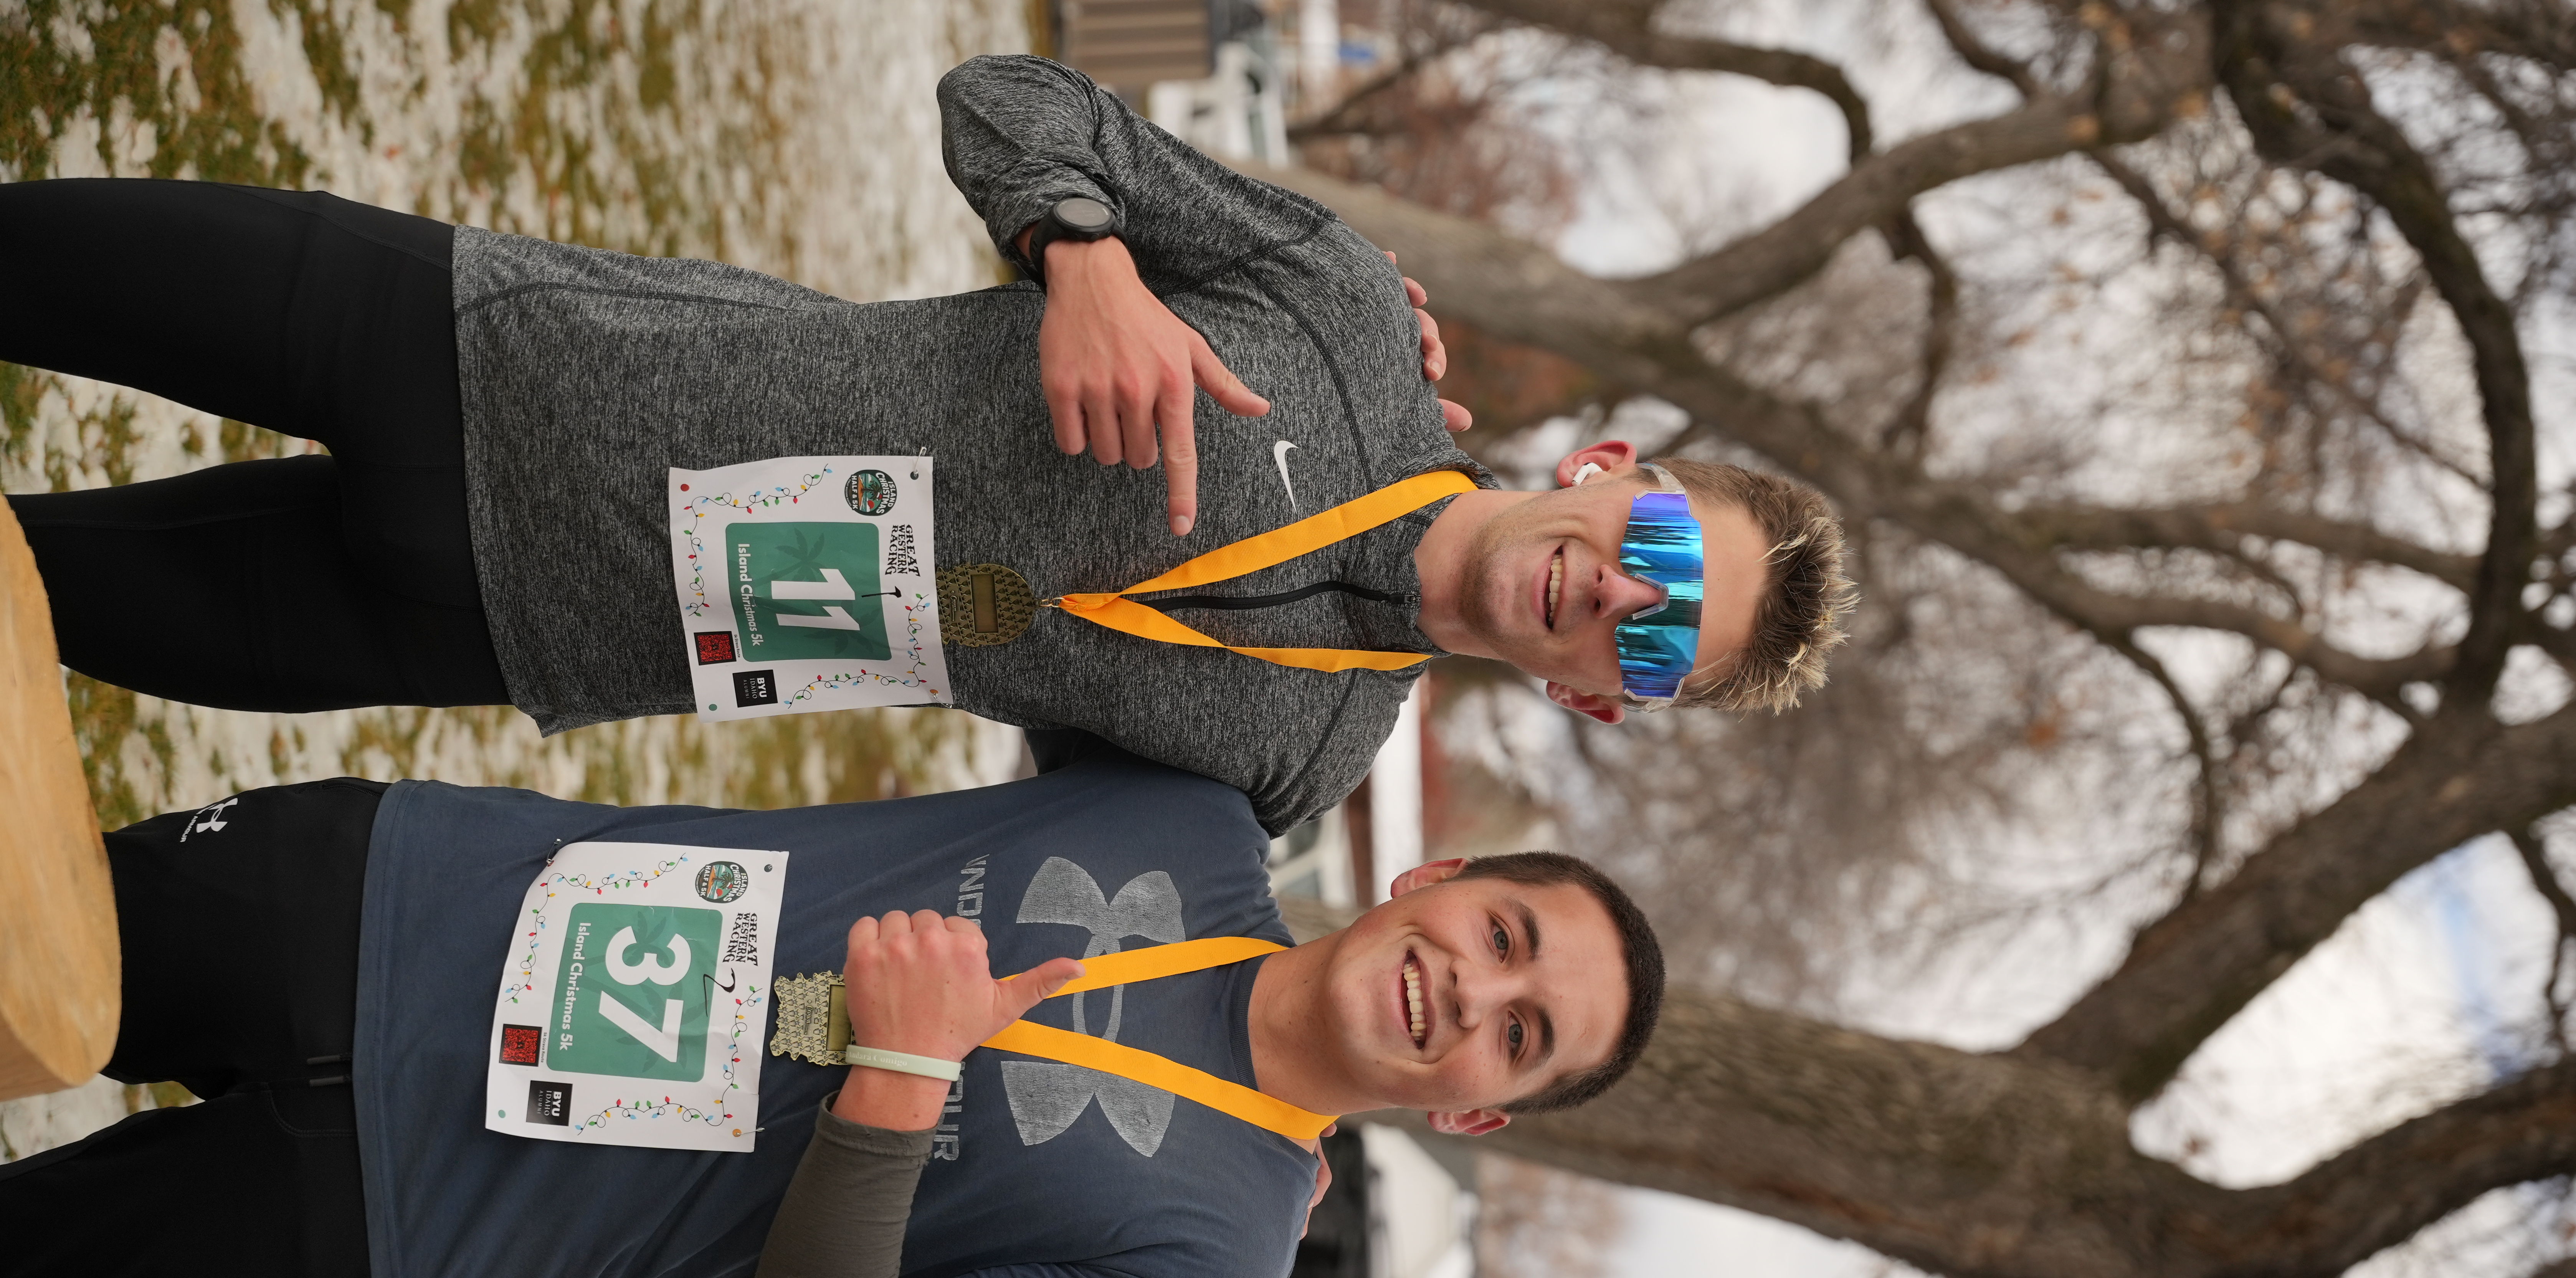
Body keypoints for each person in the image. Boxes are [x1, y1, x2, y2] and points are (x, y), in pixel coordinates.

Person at [0, 54, 1851, 838]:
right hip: (498, 349)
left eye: (1658, 633)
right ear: (1617, 466)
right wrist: (1088, 255)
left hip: (510, 629)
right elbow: (1012, 96)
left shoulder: (1291, 772)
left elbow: (1038, 889)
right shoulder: (1356, 321)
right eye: (1663, 545)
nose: (1618, 590)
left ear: (1613, 699)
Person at [0, 745, 1663, 1278]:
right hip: (386, 896)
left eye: (1520, 1036)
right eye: (1504, 934)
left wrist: (894, 1088)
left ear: (1476, 1115)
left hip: (386, 1235)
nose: (1474, 991)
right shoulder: (1188, 806)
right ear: (1434, 873)